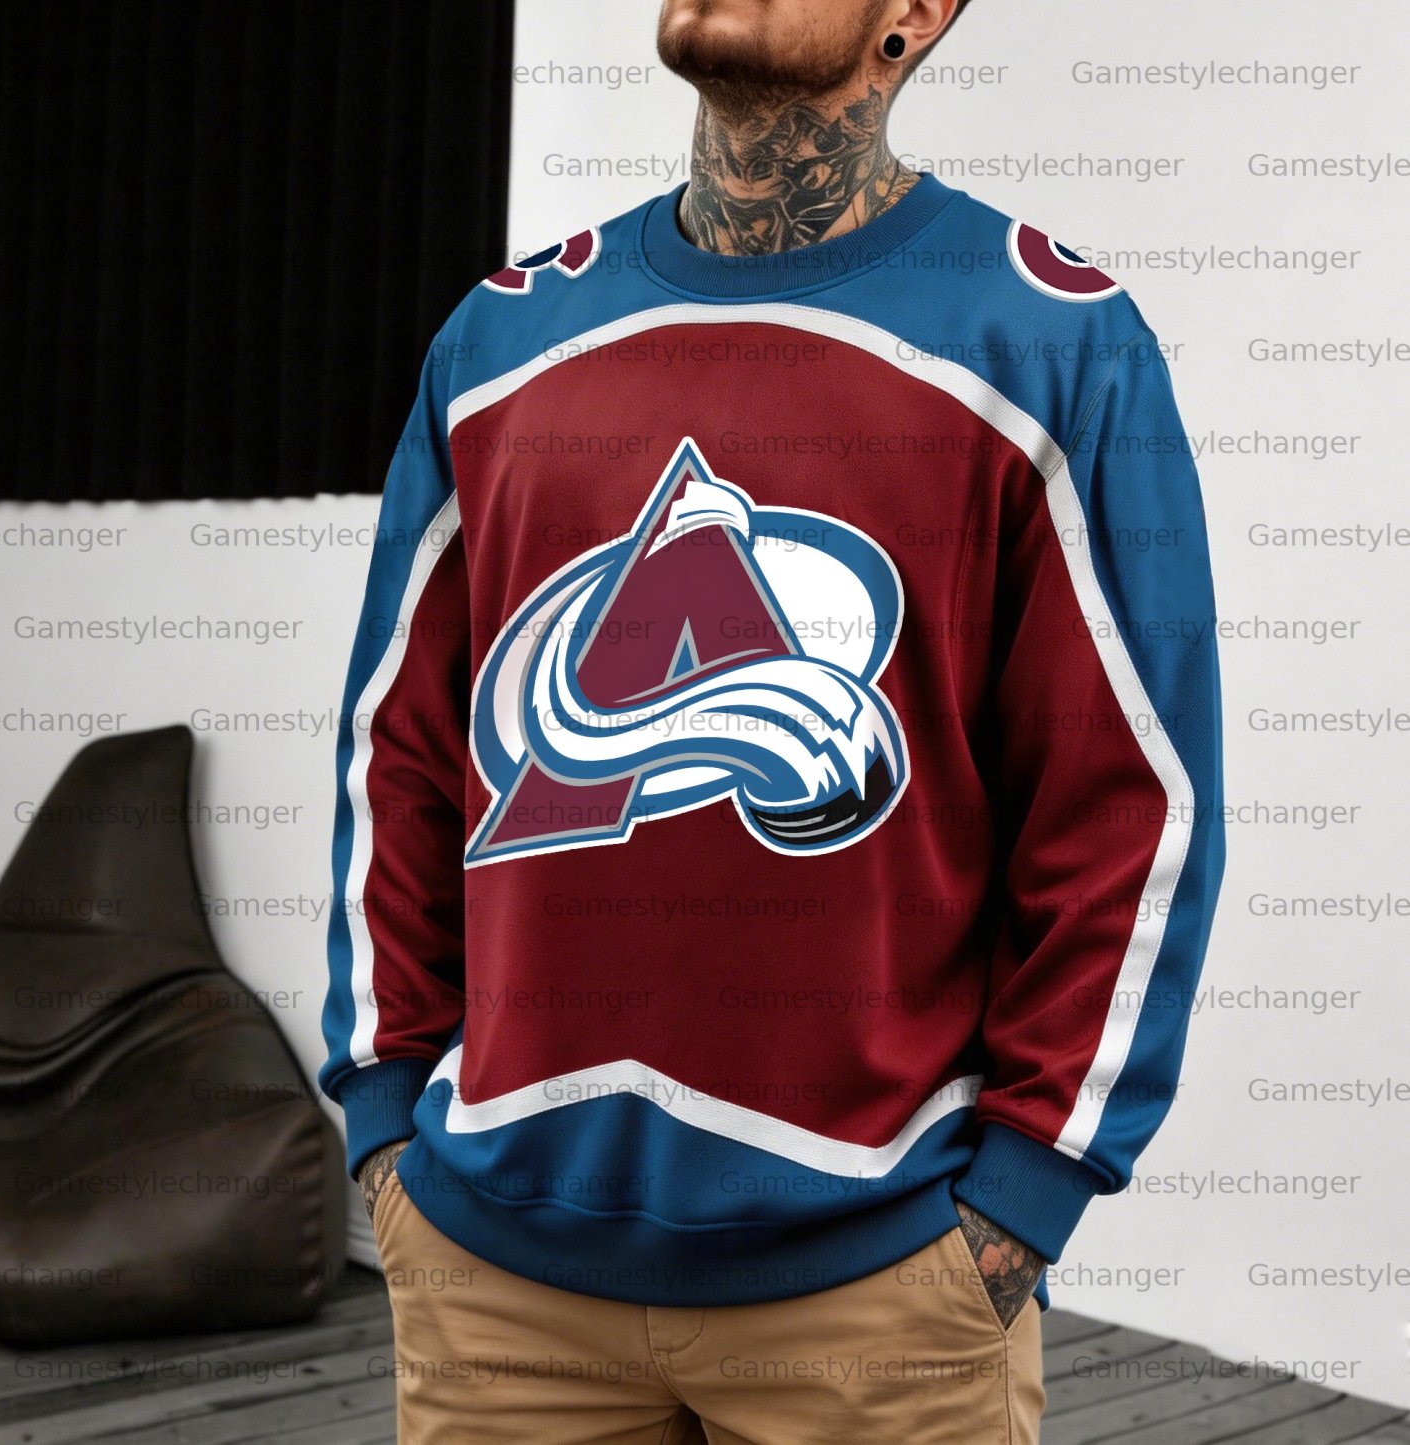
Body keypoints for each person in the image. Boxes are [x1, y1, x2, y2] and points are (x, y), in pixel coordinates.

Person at [320, 1, 1226, 1439]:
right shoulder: (499, 338)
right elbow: (401, 749)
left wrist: (1022, 1198)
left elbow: (1130, 805)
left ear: (912, 14)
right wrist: (384, 1116)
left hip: (880, 1297)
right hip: (494, 1283)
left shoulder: (1051, 340)